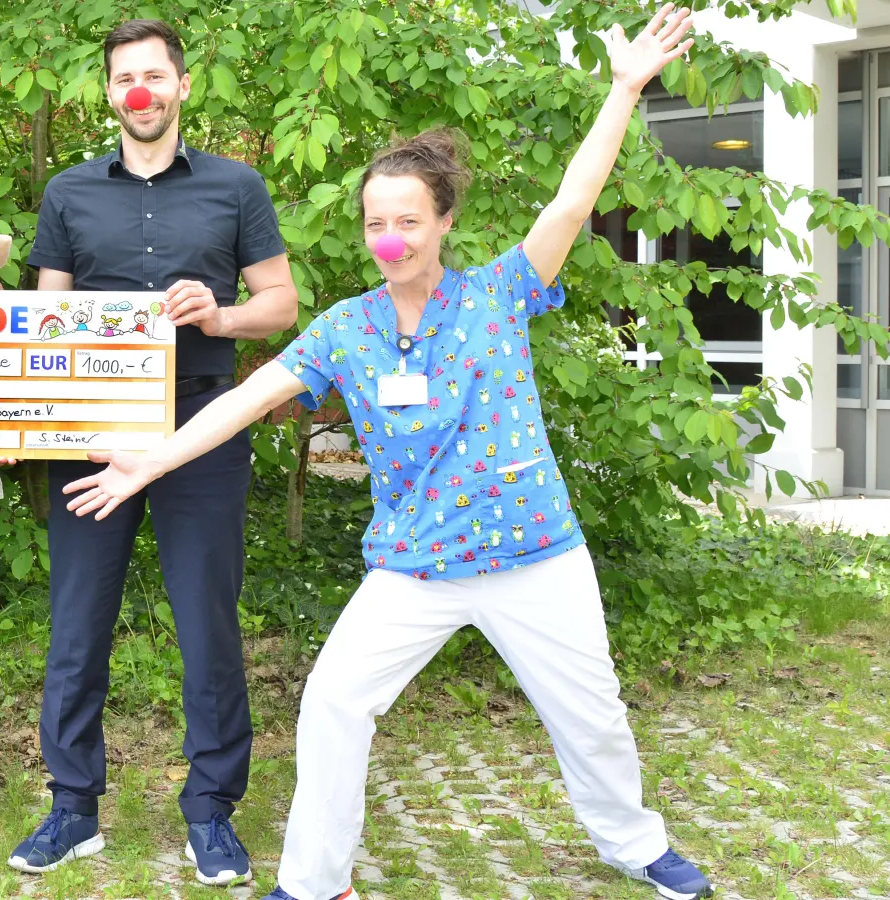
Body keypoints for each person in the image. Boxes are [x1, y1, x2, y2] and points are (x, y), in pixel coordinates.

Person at [58, 8, 716, 900]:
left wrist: (625, 87)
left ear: (442, 222)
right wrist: (152, 460)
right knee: (332, 703)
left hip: (534, 553)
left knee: (591, 720)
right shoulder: (348, 329)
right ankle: (316, 880)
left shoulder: (501, 294)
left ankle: (634, 843)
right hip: (414, 565)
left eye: (406, 219)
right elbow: (248, 399)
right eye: (374, 222)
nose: (388, 237)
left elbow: (571, 200)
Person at [6, 19, 297, 887]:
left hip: (200, 427)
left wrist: (219, 315)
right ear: (108, 93)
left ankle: (211, 812)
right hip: (90, 433)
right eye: (125, 77)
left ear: (181, 85)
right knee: (76, 619)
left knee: (207, 622)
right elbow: (40, 320)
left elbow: (279, 306)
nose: (141, 89)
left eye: (155, 75)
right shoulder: (67, 192)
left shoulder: (236, 186)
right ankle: (72, 807)